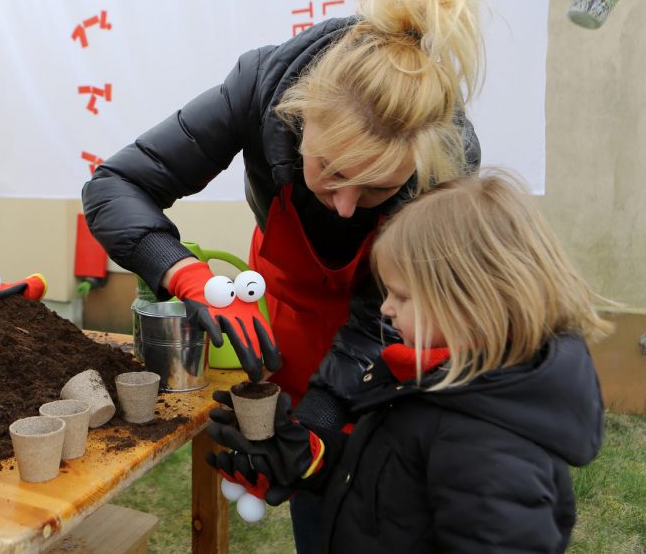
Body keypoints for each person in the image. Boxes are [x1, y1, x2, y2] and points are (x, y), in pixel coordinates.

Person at [82, 0, 484, 549]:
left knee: (381, 487)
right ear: (298, 116)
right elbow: (115, 185)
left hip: (392, 322)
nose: (347, 208)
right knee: (312, 494)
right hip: (289, 313)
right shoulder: (261, 85)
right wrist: (187, 276)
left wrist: (323, 414)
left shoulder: (447, 154)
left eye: (375, 190)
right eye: (332, 172)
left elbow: (395, 309)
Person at [207, 171, 610, 552]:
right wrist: (313, 458)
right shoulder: (432, 384)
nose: (385, 309)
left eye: (401, 296)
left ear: (465, 302)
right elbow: (391, 486)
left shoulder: (491, 451)